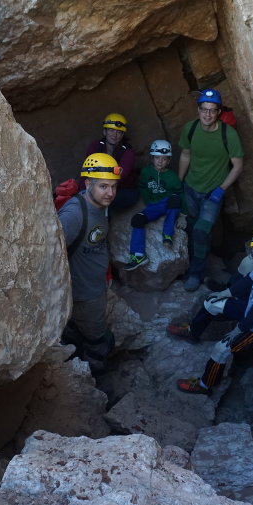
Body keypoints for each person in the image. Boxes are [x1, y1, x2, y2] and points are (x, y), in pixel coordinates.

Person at [168, 229, 253, 394]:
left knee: (221, 349)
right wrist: (223, 294)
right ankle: (194, 332)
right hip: (251, 309)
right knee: (210, 303)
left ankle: (205, 385)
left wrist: (236, 331)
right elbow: (244, 283)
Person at [58, 153, 121, 370]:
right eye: (104, 186)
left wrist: (107, 272)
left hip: (94, 287)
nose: (110, 193)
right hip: (84, 295)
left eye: (113, 187)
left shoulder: (101, 206)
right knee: (98, 341)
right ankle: (93, 379)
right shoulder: (74, 215)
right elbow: (52, 254)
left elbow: (99, 242)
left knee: (79, 333)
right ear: (88, 184)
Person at [177, 88, 244, 291]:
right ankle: (188, 267)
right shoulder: (190, 128)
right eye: (204, 109)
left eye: (212, 110)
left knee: (201, 231)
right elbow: (186, 155)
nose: (207, 114)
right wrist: (179, 183)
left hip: (211, 194)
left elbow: (238, 165)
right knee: (189, 228)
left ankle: (196, 274)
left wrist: (221, 189)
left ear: (219, 112)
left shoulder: (228, 134)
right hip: (190, 189)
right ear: (198, 109)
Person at [125, 139, 182, 271]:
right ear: (152, 158)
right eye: (157, 158)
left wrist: (183, 214)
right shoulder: (146, 172)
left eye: (164, 159)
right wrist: (148, 200)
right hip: (153, 207)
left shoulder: (172, 176)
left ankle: (167, 234)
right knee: (137, 220)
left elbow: (181, 194)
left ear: (168, 160)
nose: (160, 161)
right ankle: (138, 255)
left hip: (168, 204)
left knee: (175, 199)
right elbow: (142, 187)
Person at [86, 113, 138, 210]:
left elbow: (120, 176)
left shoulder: (128, 152)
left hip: (122, 190)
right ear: (104, 132)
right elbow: (87, 170)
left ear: (122, 135)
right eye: (111, 130)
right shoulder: (95, 146)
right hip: (99, 186)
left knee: (105, 198)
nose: (114, 135)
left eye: (118, 132)